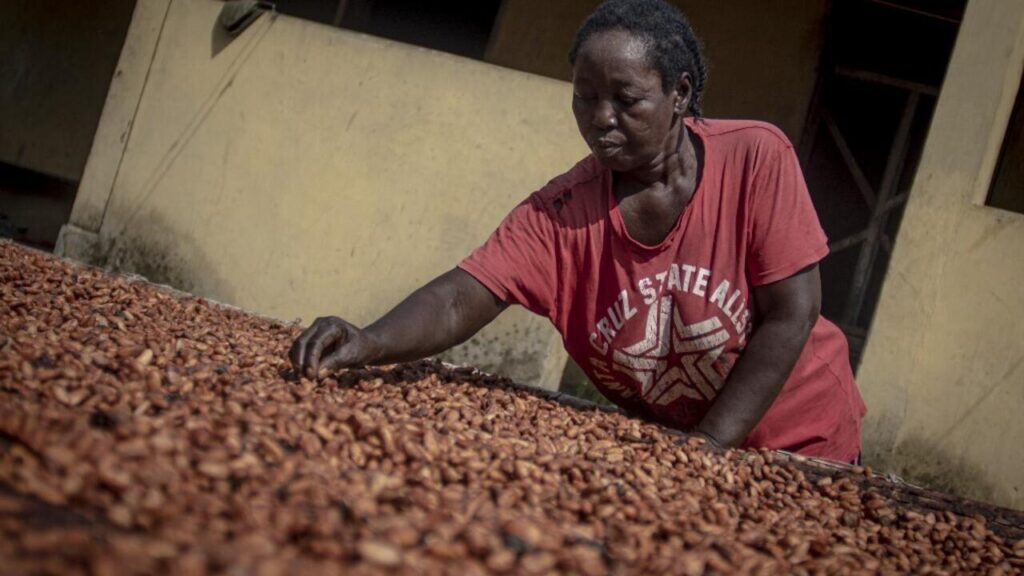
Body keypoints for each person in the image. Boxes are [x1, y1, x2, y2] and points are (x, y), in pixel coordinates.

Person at [289, 0, 866, 462]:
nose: (601, 118)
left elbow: (793, 312)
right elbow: (460, 297)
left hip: (801, 441)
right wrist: (371, 342)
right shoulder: (563, 211)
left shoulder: (754, 158)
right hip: (683, 456)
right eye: (585, 98)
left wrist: (708, 449)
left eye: (626, 99)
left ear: (680, 95)